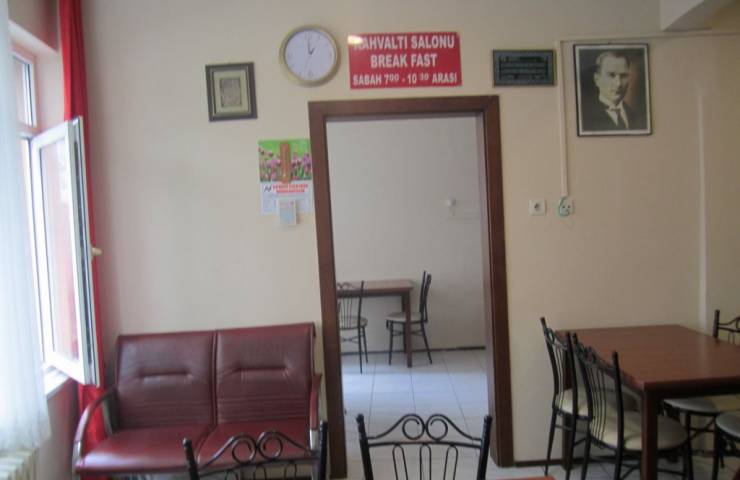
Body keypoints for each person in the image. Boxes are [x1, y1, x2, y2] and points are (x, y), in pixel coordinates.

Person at [581, 50, 646, 132]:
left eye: (623, 76)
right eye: (611, 75)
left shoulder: (636, 116)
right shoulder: (585, 117)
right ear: (597, 79)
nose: (618, 83)